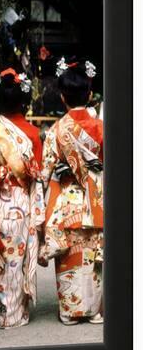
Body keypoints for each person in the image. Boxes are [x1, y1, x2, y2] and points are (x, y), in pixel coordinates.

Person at [40, 58, 103, 325]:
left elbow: (44, 173)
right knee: (92, 255)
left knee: (70, 253)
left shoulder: (56, 131)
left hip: (67, 201)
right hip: (96, 199)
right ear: (89, 94)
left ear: (62, 97)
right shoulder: (102, 128)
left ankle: (70, 310)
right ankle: (95, 310)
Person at [0, 68, 45, 329]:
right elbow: (37, 172)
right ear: (24, 99)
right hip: (22, 200)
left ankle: (6, 310)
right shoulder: (31, 132)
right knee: (18, 257)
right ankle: (18, 311)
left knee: (3, 256)